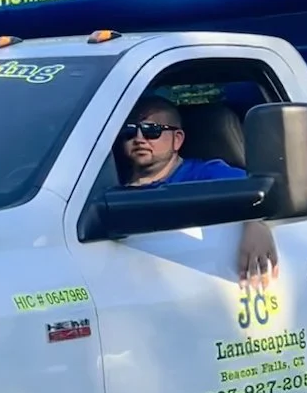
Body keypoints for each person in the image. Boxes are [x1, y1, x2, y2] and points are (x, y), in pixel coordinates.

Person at [118, 94, 278, 288]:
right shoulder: (104, 183)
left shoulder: (205, 174)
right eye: (130, 131)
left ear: (177, 139)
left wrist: (257, 223)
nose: (139, 138)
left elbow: (262, 189)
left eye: (152, 130)